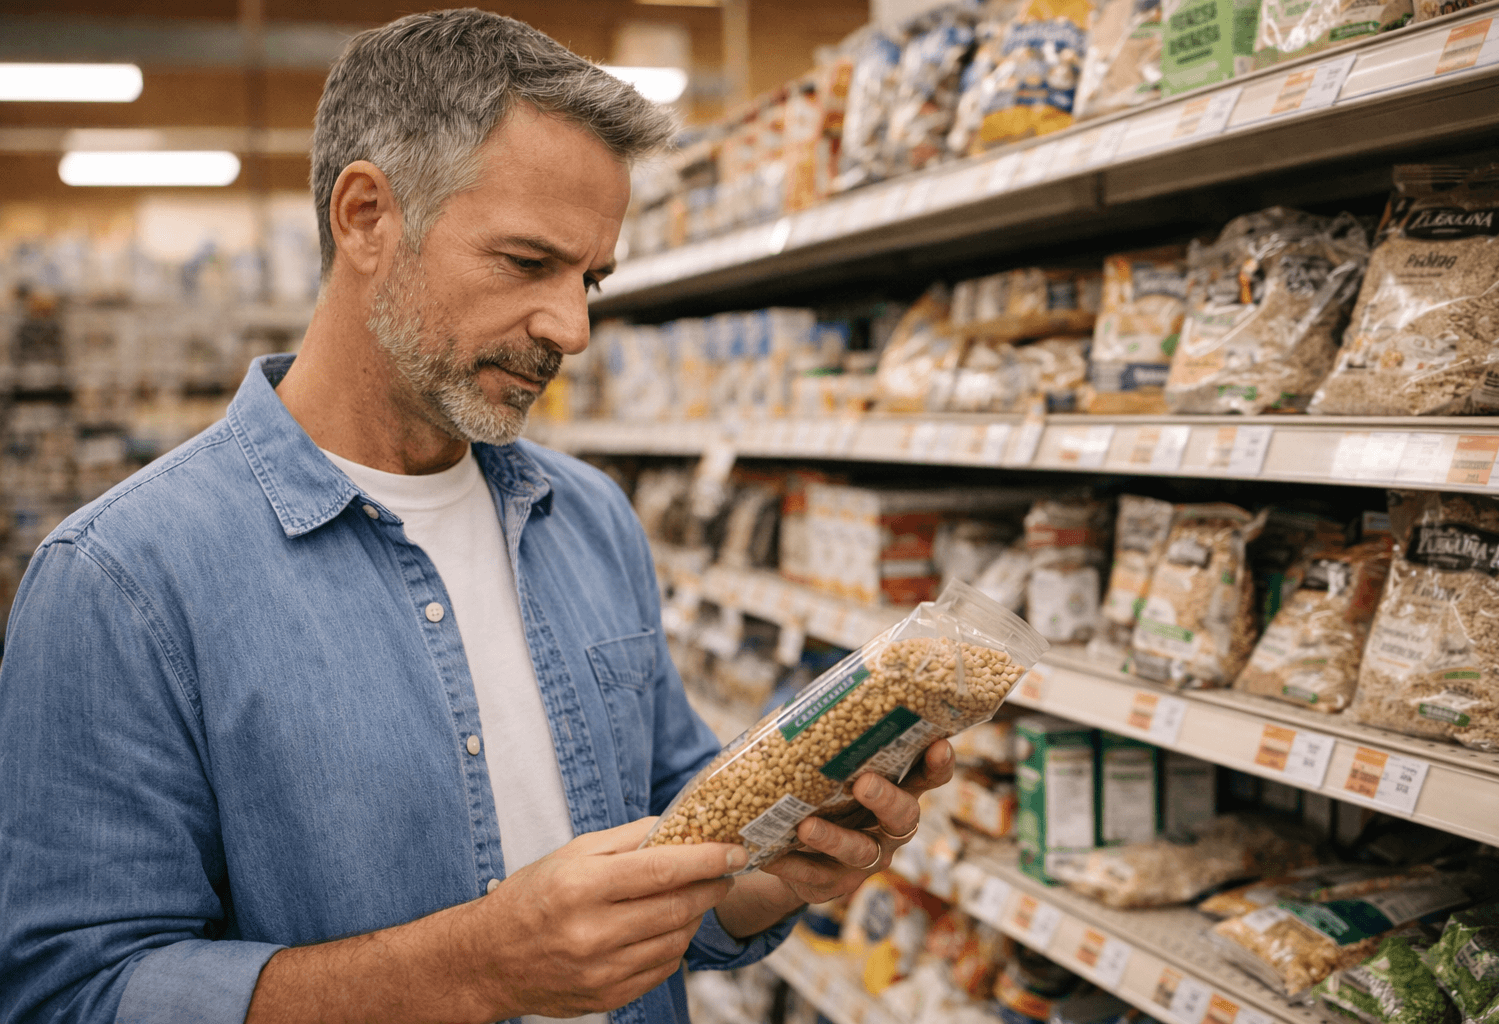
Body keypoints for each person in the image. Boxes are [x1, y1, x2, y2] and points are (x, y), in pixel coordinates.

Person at [0, 11, 954, 1024]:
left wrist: (785, 865)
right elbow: (74, 992)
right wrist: (480, 966)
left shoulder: (588, 518)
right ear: (365, 215)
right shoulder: (121, 579)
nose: (573, 329)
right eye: (526, 263)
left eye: (590, 279)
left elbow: (684, 858)